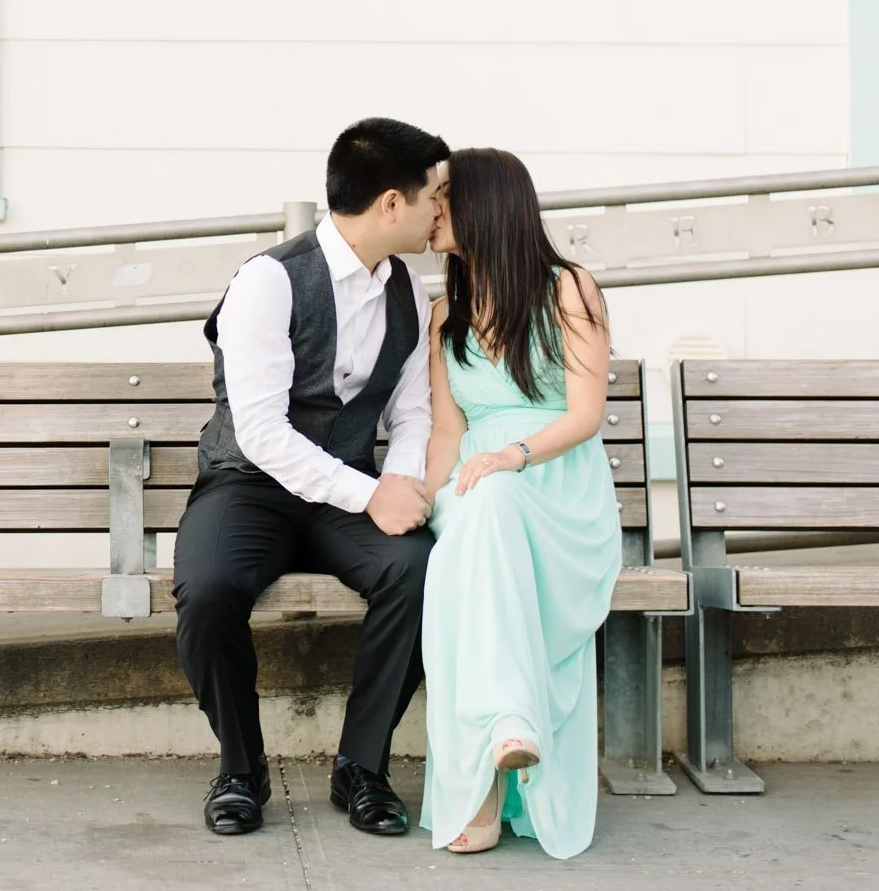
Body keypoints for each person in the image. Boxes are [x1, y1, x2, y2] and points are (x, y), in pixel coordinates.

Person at [172, 117, 449, 836]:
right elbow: (261, 431)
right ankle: (241, 767)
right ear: (392, 203)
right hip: (249, 484)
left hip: (344, 492)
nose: (442, 212)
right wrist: (371, 493)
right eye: (436, 196)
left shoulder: (409, 295)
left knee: (420, 572)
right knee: (208, 590)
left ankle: (363, 765)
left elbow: (412, 412)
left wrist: (405, 485)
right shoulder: (268, 281)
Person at [416, 148, 619, 860]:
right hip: (474, 486)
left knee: (491, 510)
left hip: (556, 484)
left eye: (441, 197)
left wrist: (512, 456)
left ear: (484, 204)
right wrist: (424, 497)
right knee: (467, 536)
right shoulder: (445, 312)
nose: (429, 209)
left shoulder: (569, 290)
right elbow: (447, 431)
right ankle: (507, 725)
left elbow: (585, 414)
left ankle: (480, 792)